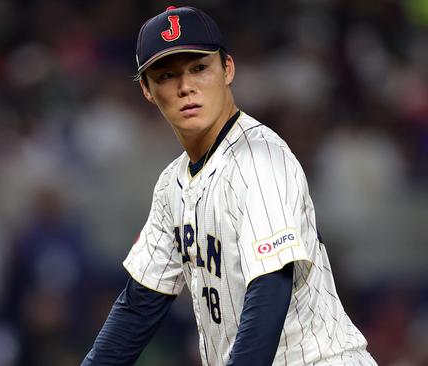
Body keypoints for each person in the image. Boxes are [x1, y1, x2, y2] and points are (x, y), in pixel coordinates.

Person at [83, 5, 377, 366]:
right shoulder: (171, 186)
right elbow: (139, 306)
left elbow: (271, 286)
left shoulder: (261, 158)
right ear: (146, 89)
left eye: (199, 68)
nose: (185, 86)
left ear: (228, 69)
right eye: (167, 75)